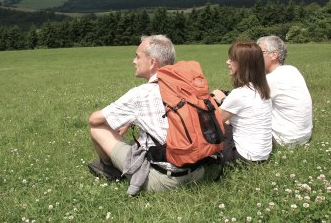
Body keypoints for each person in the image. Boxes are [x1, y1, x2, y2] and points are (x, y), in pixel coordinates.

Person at [88, 35, 204, 196]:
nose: (133, 61)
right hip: (198, 171)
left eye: (138, 56)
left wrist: (127, 117)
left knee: (97, 129)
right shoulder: (188, 85)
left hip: (162, 181)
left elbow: (94, 119)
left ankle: (109, 169)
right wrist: (131, 120)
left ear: (152, 63)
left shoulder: (140, 94)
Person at [212, 41, 272, 163]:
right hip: (263, 155)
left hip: (244, 157)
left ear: (244, 65)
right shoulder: (262, 89)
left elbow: (214, 122)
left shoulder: (240, 94)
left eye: (232, 59)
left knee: (211, 126)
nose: (227, 62)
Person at [257, 35, 313, 146]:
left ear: (274, 55)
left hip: (285, 140)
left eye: (260, 53)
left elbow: (247, 104)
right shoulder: (292, 70)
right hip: (304, 136)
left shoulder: (272, 79)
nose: (255, 57)